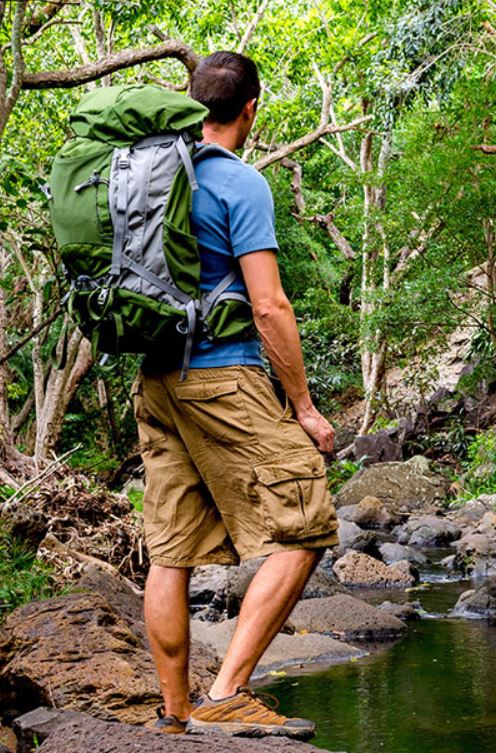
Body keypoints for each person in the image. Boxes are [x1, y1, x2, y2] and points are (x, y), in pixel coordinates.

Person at [135, 50, 338, 739]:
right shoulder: (238, 182)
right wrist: (304, 407)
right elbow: (270, 307)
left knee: (171, 550)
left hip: (157, 380)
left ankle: (174, 714)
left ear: (191, 105)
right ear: (250, 109)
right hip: (222, 376)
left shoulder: (151, 176)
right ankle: (226, 689)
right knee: (307, 519)